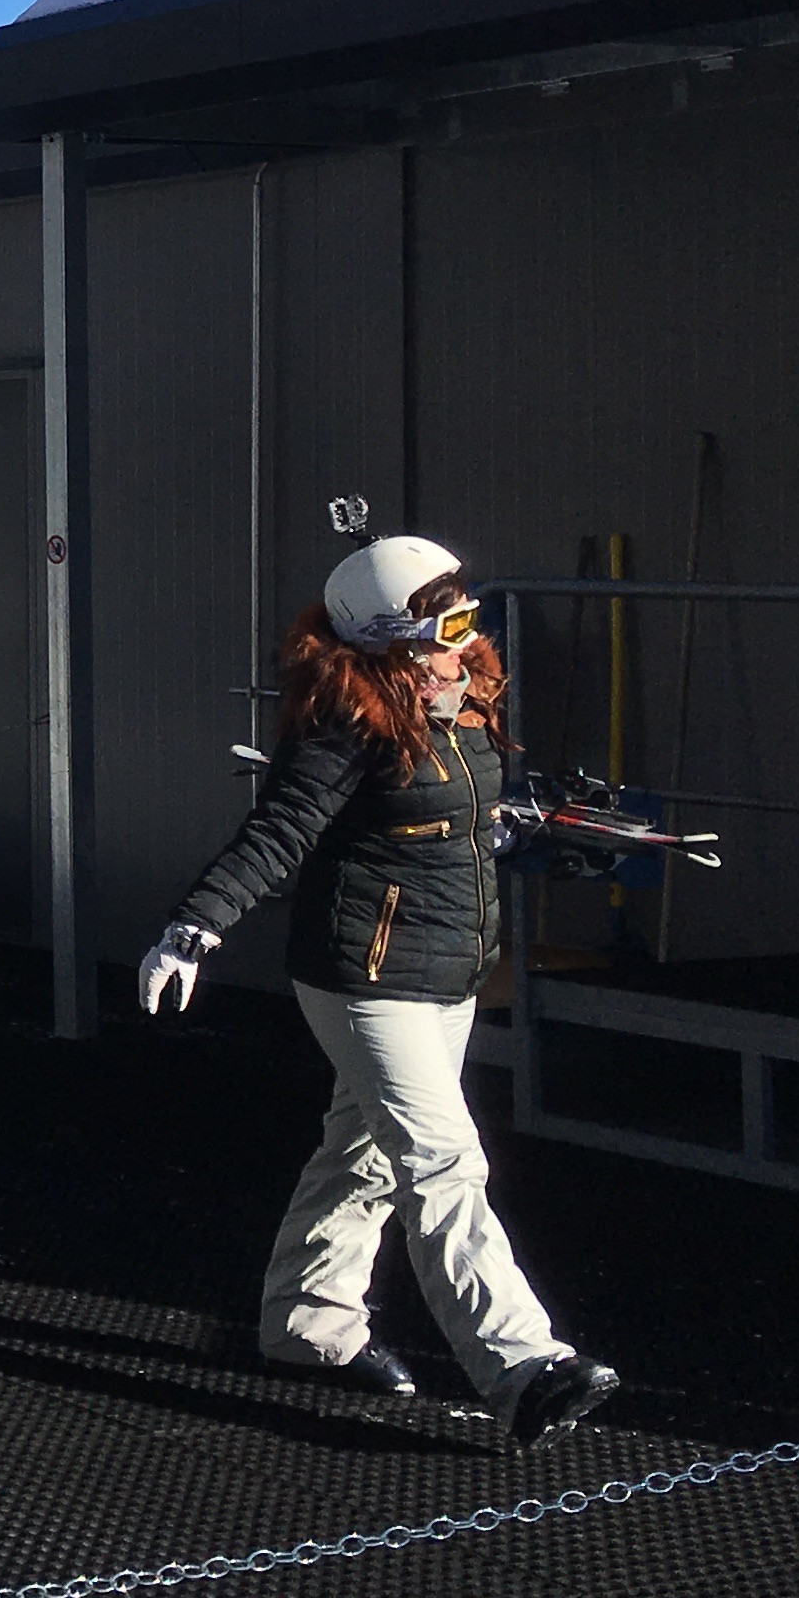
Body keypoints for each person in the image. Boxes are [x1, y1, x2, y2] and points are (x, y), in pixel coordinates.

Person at [136, 533, 619, 1449]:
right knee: (443, 1163)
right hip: (367, 978)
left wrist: (520, 833)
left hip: (448, 970)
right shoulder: (347, 719)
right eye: (448, 623)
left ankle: (307, 1328)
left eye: (469, 615)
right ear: (392, 637)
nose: (466, 639)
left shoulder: (459, 699)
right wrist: (193, 927)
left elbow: (452, 822)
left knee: (359, 1156)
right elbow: (278, 832)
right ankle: (522, 1367)